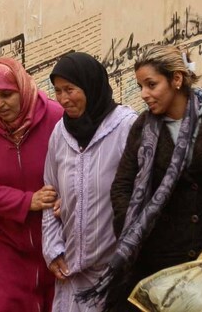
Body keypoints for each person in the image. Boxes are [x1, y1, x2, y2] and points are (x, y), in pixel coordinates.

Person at [78, 44, 202, 312]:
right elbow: (123, 185)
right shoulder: (143, 129)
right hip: (153, 259)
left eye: (151, 84)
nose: (144, 94)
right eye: (141, 86)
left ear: (176, 79)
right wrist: (132, 229)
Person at [0, 57, 64, 312]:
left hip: (53, 233)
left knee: (58, 303)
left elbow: (77, 165)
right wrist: (27, 201)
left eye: (7, 94)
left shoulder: (55, 117)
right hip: (3, 237)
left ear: (22, 88)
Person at [41, 52, 138, 311]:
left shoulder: (126, 127)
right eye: (58, 91)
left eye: (70, 89)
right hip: (71, 273)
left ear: (91, 85)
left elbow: (143, 192)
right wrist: (52, 248)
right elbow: (49, 194)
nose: (63, 99)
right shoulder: (60, 134)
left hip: (115, 272)